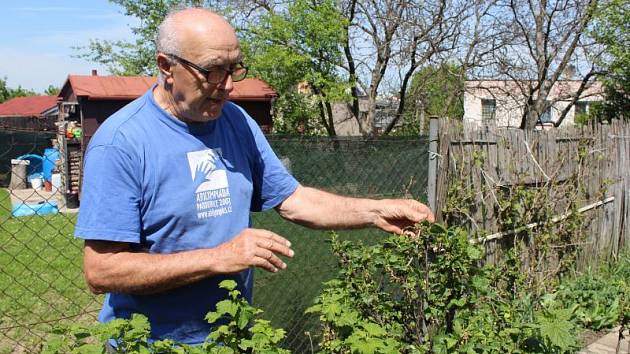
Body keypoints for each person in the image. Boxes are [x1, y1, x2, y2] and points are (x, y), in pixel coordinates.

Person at [75, 7, 435, 346]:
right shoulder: (122, 143)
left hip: (232, 337)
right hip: (150, 346)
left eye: (234, 68)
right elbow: (102, 271)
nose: (228, 85)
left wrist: (376, 212)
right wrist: (217, 257)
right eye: (213, 70)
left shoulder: (235, 122)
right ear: (166, 67)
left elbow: (294, 201)